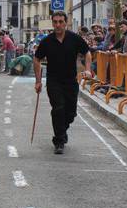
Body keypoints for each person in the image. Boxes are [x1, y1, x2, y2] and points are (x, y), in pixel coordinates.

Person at [34, 11, 92, 154]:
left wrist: (88, 69)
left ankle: (62, 131)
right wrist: (38, 81)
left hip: (71, 81)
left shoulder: (74, 38)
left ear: (66, 22)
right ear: (52, 23)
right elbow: (36, 59)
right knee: (58, 108)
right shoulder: (47, 41)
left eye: (61, 22)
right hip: (54, 81)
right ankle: (59, 141)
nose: (58, 25)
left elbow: (87, 52)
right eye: (55, 22)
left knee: (70, 113)